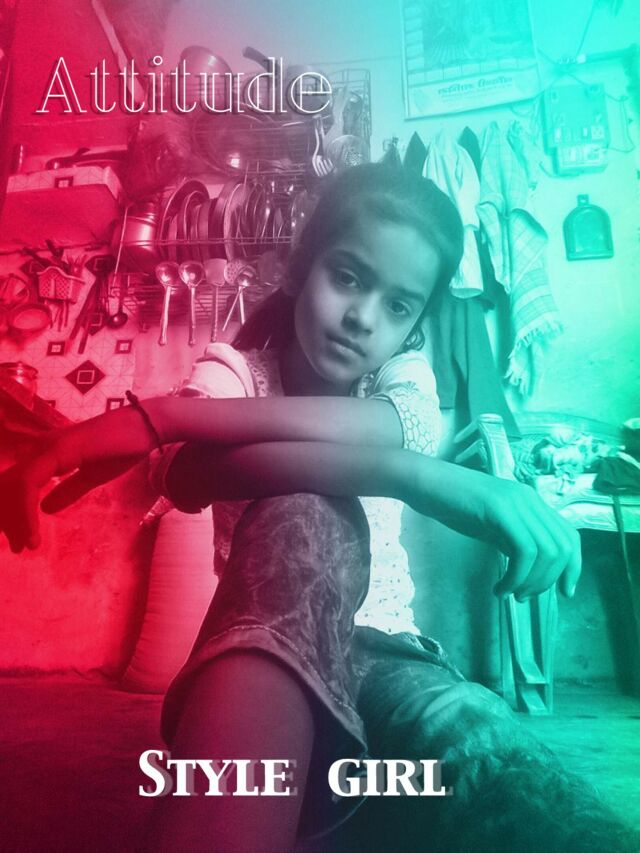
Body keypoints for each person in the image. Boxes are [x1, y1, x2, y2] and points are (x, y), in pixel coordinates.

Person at [0, 165, 634, 852]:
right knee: (303, 510)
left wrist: (161, 418)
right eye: (350, 277)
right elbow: (188, 475)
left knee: (497, 762)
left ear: (415, 323)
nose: (364, 317)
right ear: (299, 268)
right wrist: (421, 480)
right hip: (267, 651)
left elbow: (397, 430)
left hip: (387, 657)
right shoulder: (233, 370)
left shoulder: (398, 374)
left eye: (399, 306)